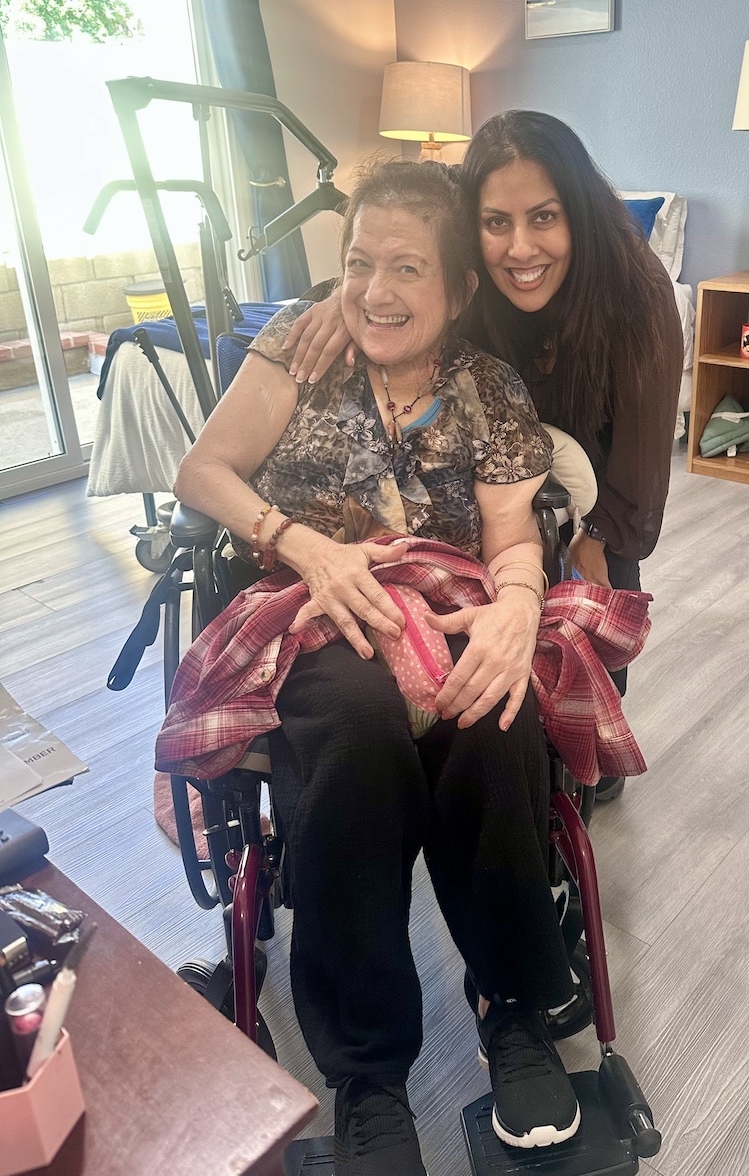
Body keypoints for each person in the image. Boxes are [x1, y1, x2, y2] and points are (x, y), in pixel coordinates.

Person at [170, 160, 592, 1175]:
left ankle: (513, 1012)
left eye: (407, 267)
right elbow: (201, 470)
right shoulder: (296, 351)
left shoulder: (487, 388)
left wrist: (513, 612)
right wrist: (303, 542)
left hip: (443, 601)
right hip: (313, 611)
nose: (376, 290)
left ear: (457, 288)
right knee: (355, 730)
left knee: (497, 716)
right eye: (358, 263)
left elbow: (511, 537)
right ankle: (366, 1075)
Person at [285, 110, 685, 802]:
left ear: (578, 215)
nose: (520, 247)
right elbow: (400, 236)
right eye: (496, 222)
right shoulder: (465, 276)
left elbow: (643, 466)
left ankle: (585, 741)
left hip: (597, 464)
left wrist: (597, 538)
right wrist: (333, 301)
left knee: (593, 588)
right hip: (493, 456)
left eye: (544, 218)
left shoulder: (639, 294)